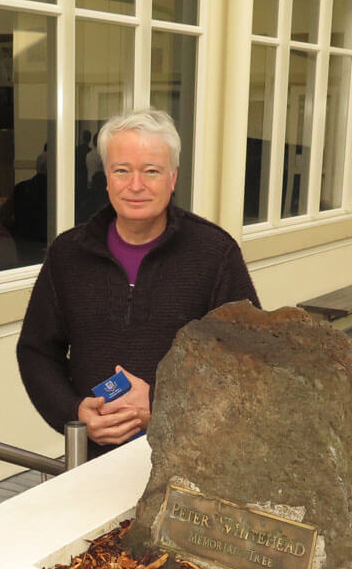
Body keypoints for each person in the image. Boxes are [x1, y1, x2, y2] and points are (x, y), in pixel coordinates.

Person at [16, 108, 258, 459]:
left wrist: (162, 403)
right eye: (122, 170)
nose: (136, 186)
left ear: (173, 178)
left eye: (151, 171)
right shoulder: (68, 255)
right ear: (106, 177)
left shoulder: (214, 255)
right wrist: (73, 413)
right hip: (92, 458)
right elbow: (37, 351)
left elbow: (247, 361)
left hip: (191, 458)